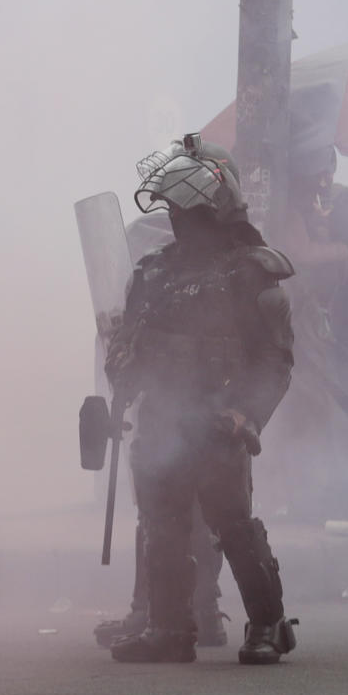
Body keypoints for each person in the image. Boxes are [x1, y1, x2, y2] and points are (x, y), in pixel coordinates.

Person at [105, 135, 296, 666]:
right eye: (173, 210)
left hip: (219, 420)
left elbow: (275, 361)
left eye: (187, 210)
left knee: (233, 525)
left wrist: (246, 413)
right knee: (161, 524)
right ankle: (169, 629)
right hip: (164, 419)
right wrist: (122, 369)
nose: (178, 220)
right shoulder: (154, 272)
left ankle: (269, 624)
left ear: (215, 212)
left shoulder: (252, 272)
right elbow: (128, 342)